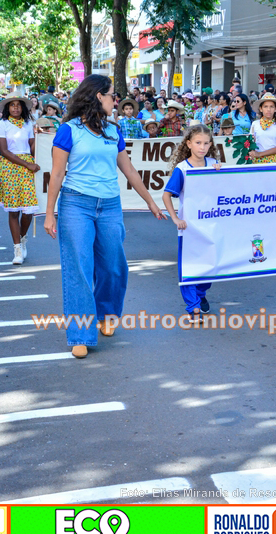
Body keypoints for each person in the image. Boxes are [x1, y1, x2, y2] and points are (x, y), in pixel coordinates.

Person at [42, 75, 166, 359]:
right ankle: (80, 334)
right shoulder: (68, 130)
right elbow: (57, 174)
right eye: (113, 95)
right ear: (99, 96)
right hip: (76, 205)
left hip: (109, 206)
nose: (117, 100)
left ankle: (107, 313)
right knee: (79, 270)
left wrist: (151, 202)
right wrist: (50, 214)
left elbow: (130, 170)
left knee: (114, 266)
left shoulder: (113, 130)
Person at [161, 125, 222, 320]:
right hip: (188, 228)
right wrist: (176, 218)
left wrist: (222, 173)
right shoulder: (182, 169)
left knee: (210, 266)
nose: (202, 147)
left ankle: (200, 294)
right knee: (188, 266)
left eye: (206, 143)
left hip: (210, 226)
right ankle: (193, 306)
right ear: (188, 144)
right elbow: (166, 195)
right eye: (198, 143)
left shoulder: (213, 164)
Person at [0, 92, 38, 265]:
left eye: (19, 105)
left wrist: (39, 137)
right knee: (14, 210)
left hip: (27, 165)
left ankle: (23, 237)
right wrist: (27, 165)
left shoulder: (29, 123)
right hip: (10, 165)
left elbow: (32, 147)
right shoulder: (2, 124)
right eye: (12, 105)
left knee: (28, 210)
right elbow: (4, 150)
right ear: (7, 108)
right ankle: (17, 248)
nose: (16, 108)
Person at [249, 93, 276, 164]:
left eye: (271, 107)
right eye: (265, 106)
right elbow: (251, 142)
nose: (268, 109)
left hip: (273, 161)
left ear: (275, 109)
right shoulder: (255, 124)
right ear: (261, 109)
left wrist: (260, 154)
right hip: (256, 161)